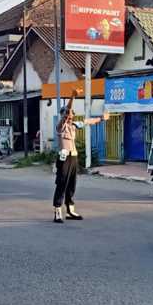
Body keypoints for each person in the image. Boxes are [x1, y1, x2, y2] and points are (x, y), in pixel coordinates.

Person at [52, 89, 108, 223]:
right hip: (64, 158)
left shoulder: (73, 125)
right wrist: (72, 96)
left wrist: (101, 118)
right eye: (68, 114)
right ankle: (58, 211)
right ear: (63, 115)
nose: (71, 115)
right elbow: (67, 110)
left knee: (72, 184)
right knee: (62, 184)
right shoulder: (61, 126)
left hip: (73, 158)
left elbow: (88, 121)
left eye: (72, 114)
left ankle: (70, 210)